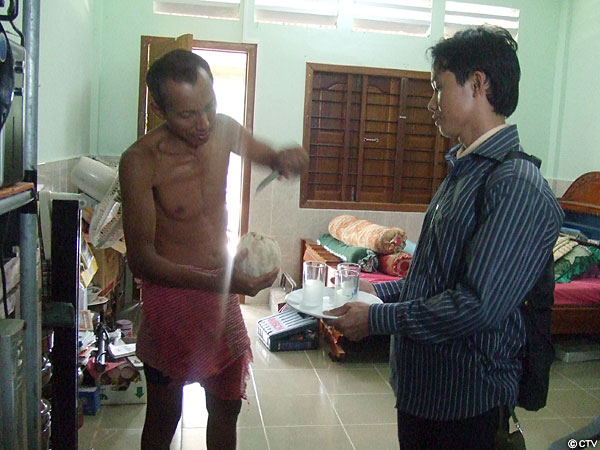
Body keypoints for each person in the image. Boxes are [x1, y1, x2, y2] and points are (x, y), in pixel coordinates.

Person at [326, 26, 564, 450]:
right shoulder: (463, 170)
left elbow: (477, 304)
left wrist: (376, 319)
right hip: (424, 395)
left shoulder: (514, 183)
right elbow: (437, 277)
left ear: (478, 83)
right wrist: (376, 292)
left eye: (438, 87)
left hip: (466, 405)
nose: (430, 103)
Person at [119, 49, 308, 450]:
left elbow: (271, 156)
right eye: (188, 114)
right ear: (159, 110)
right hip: (171, 299)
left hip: (219, 296)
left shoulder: (224, 130)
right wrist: (222, 281)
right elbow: (142, 260)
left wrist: (287, 158)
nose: (204, 123)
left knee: (226, 407)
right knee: (164, 415)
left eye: (210, 105)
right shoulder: (140, 160)